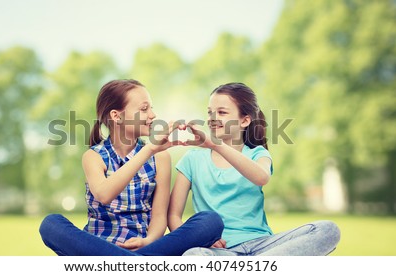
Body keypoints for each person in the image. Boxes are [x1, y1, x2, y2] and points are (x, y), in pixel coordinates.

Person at [39, 79, 223, 256]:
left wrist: (149, 240)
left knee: (210, 222)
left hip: (143, 245)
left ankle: (128, 263)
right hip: (98, 244)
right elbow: (104, 194)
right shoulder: (94, 157)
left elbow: (160, 216)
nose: (152, 115)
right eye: (144, 109)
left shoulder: (160, 157)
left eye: (152, 108)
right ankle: (138, 264)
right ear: (116, 116)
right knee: (51, 224)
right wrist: (149, 149)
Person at [168, 82, 341, 256]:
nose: (212, 118)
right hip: (219, 251)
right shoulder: (192, 159)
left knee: (327, 229)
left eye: (221, 112)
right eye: (210, 112)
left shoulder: (258, 154)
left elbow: (262, 177)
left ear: (245, 120)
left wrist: (216, 145)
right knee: (193, 255)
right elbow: (174, 216)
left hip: (263, 246)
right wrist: (199, 239)